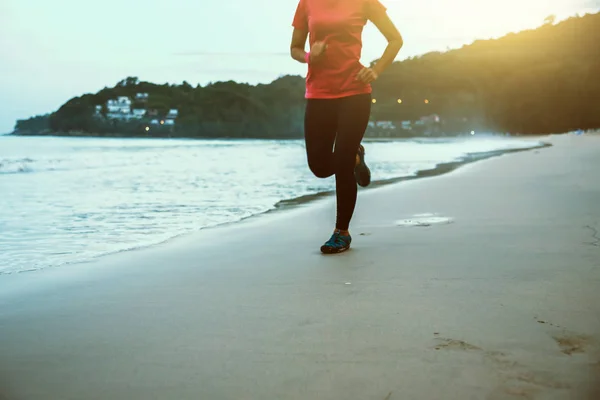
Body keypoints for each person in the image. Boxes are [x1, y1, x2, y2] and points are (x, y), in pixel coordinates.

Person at [290, 0, 403, 254]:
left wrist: (376, 70)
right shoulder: (307, 3)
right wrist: (309, 56)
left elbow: (395, 39)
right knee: (319, 167)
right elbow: (295, 48)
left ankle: (342, 233)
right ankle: (354, 155)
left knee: (340, 162)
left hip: (354, 92)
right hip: (318, 95)